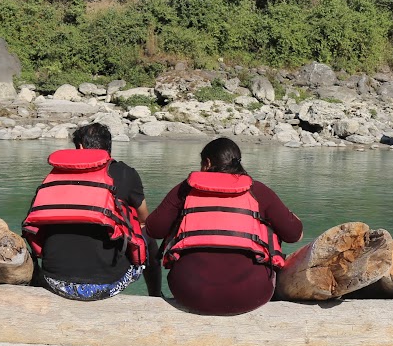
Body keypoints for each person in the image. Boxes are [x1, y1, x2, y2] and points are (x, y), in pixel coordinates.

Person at [146, 137, 303, 316]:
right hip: (251, 294)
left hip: (189, 292)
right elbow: (294, 234)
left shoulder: (184, 190)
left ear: (207, 163)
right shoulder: (258, 191)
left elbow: (154, 229)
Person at [23, 122, 159, 301]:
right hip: (106, 286)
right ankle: (156, 295)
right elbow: (144, 218)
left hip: (54, 281)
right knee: (146, 232)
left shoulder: (52, 177)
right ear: (108, 148)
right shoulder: (126, 173)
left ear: (80, 147)